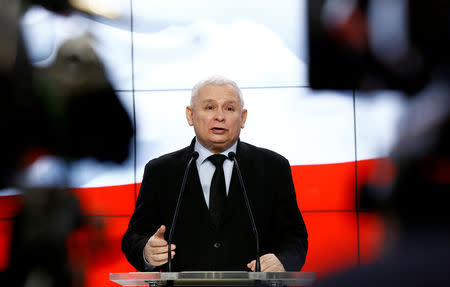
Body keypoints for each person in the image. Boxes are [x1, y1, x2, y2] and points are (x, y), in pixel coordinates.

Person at [122, 76, 308, 272]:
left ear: (242, 117)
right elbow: (134, 237)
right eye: (210, 107)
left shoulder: (273, 167)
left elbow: (294, 238)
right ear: (190, 115)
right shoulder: (161, 170)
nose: (220, 116)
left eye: (229, 108)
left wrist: (283, 261)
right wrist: (147, 251)